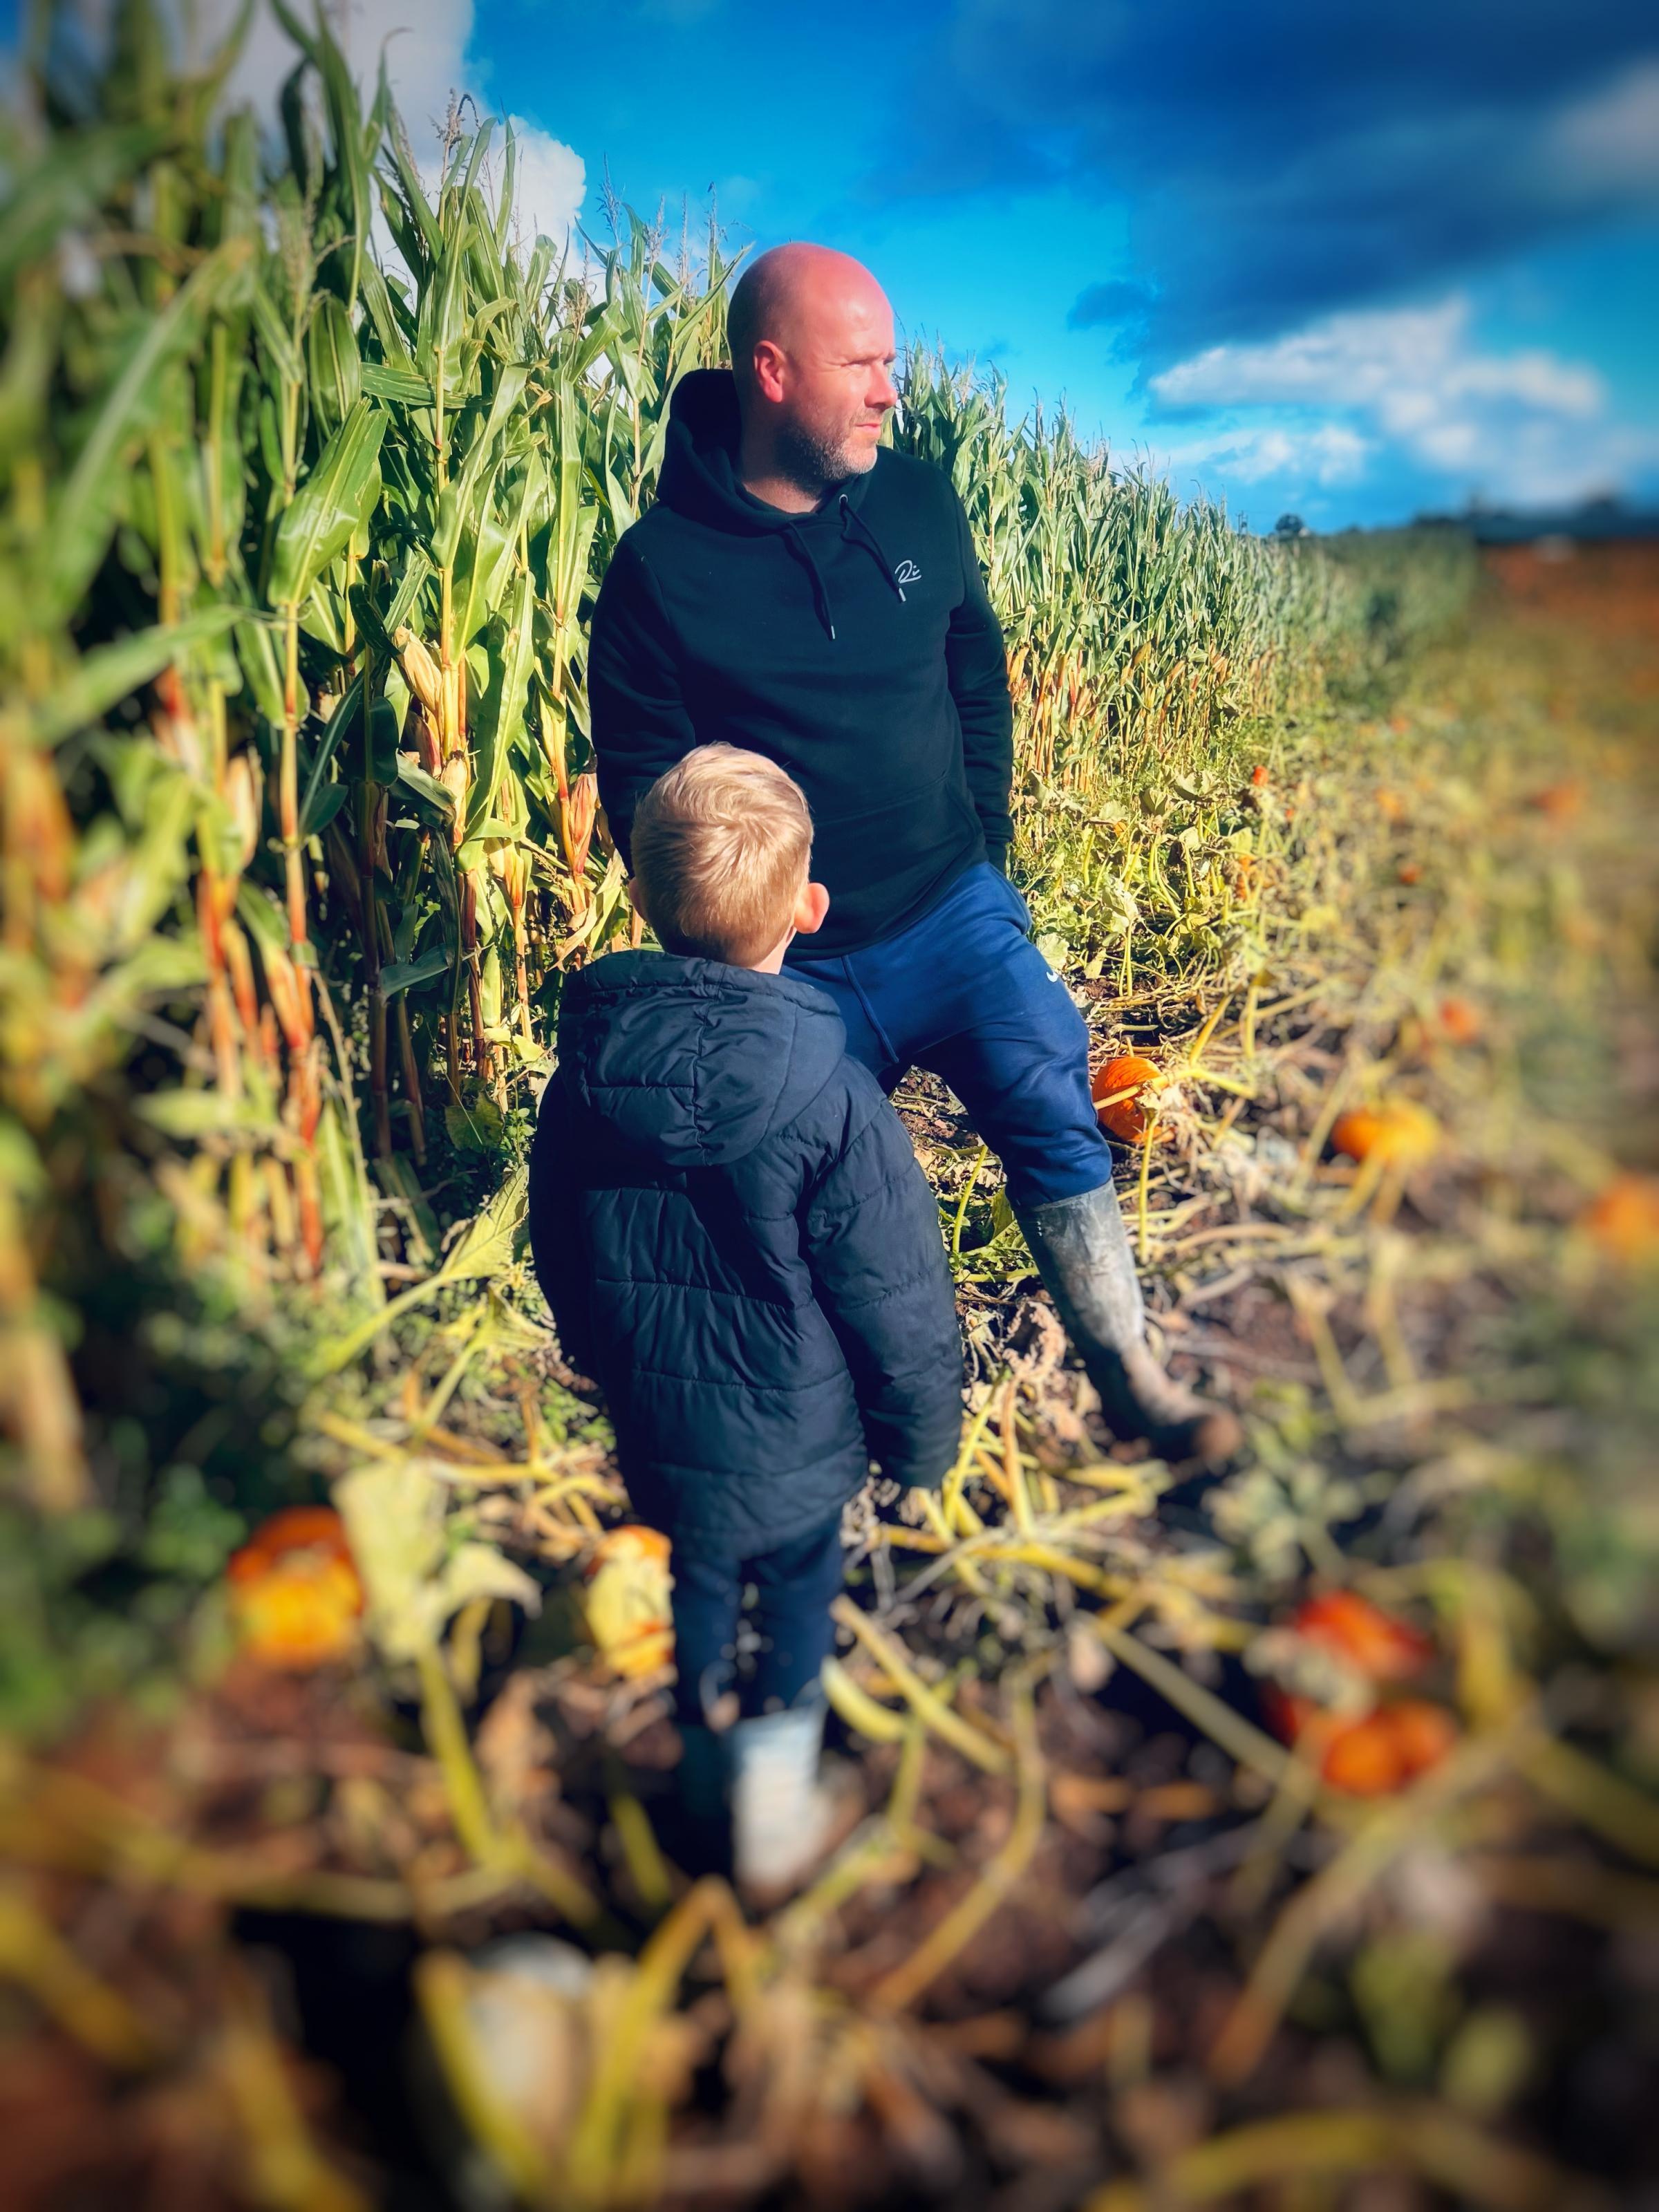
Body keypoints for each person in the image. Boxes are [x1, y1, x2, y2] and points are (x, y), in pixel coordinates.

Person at [587, 241, 1241, 1472]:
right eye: (864, 364)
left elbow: (976, 677)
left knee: (1058, 1104)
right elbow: (646, 794)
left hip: (952, 910)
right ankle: (834, 1448)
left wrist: (985, 858)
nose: (893, 390)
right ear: (771, 372)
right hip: (794, 969)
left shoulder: (921, 500)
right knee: (788, 1207)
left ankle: (1134, 1377)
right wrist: (742, 954)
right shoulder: (659, 578)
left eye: (894, 360)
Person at [527, 745, 963, 1892]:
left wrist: (599, 1356)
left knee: (700, 1579)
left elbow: (559, 1242)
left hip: (663, 1416)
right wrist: (920, 1442)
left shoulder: (585, 1078)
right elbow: (897, 1296)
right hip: (800, 1437)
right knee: (803, 1589)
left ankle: (706, 1762)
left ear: (639, 898)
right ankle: (774, 1814)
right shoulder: (832, 1093)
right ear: (810, 908)